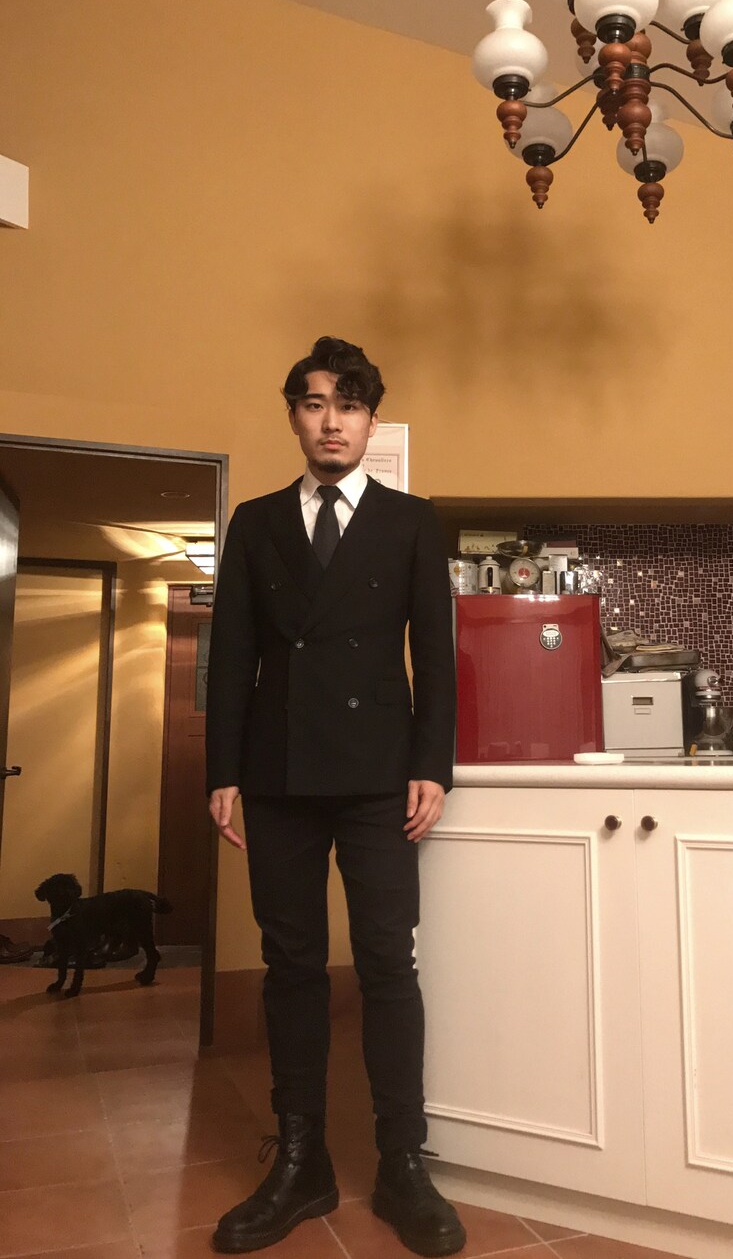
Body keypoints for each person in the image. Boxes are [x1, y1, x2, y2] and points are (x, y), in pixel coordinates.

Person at [205, 337, 464, 1257]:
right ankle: (301, 1160)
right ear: (294, 416)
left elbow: (434, 655)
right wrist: (222, 770)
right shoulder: (256, 522)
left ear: (370, 421)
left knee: (388, 964)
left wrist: (432, 763)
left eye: (348, 406)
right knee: (292, 966)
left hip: (379, 776)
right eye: (314, 403)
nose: (331, 422)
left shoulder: (411, 522)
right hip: (277, 773)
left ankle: (403, 1162)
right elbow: (231, 654)